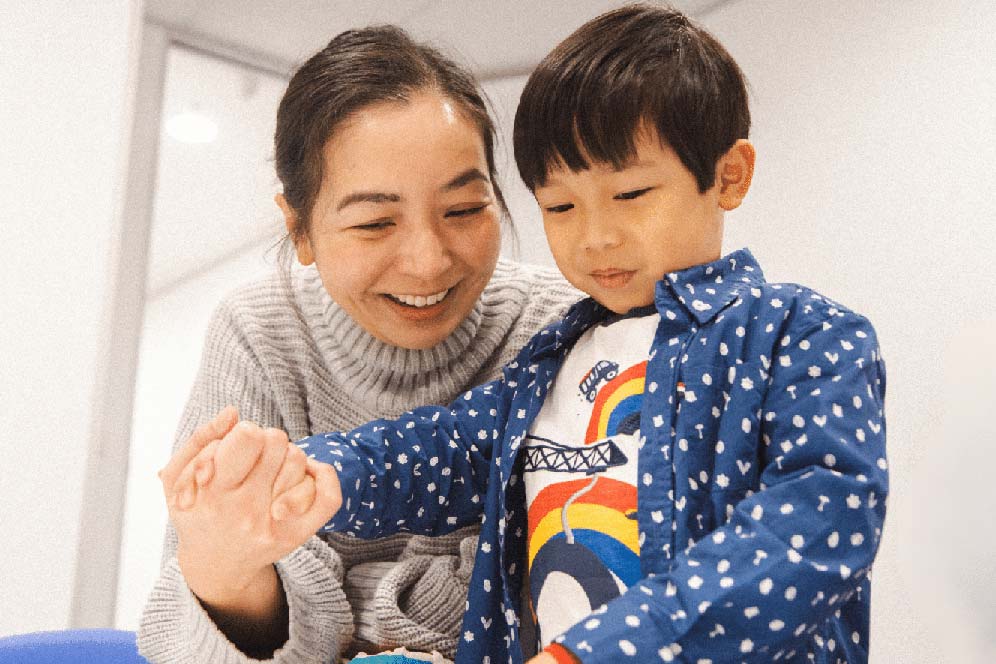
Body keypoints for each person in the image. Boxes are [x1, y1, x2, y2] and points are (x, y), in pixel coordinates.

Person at [216, 4, 889, 662]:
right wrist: (322, 474)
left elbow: (810, 532)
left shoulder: (804, 338)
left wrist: (598, 651)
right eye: (561, 206)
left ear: (729, 175)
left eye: (631, 195)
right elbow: (447, 449)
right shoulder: (553, 355)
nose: (595, 236)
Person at [138, 25, 582, 664]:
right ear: (301, 230)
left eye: (463, 209)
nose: (428, 262)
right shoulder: (262, 332)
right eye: (375, 223)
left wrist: (339, 599)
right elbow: (188, 636)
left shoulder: (561, 328)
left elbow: (569, 584)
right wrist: (221, 566)